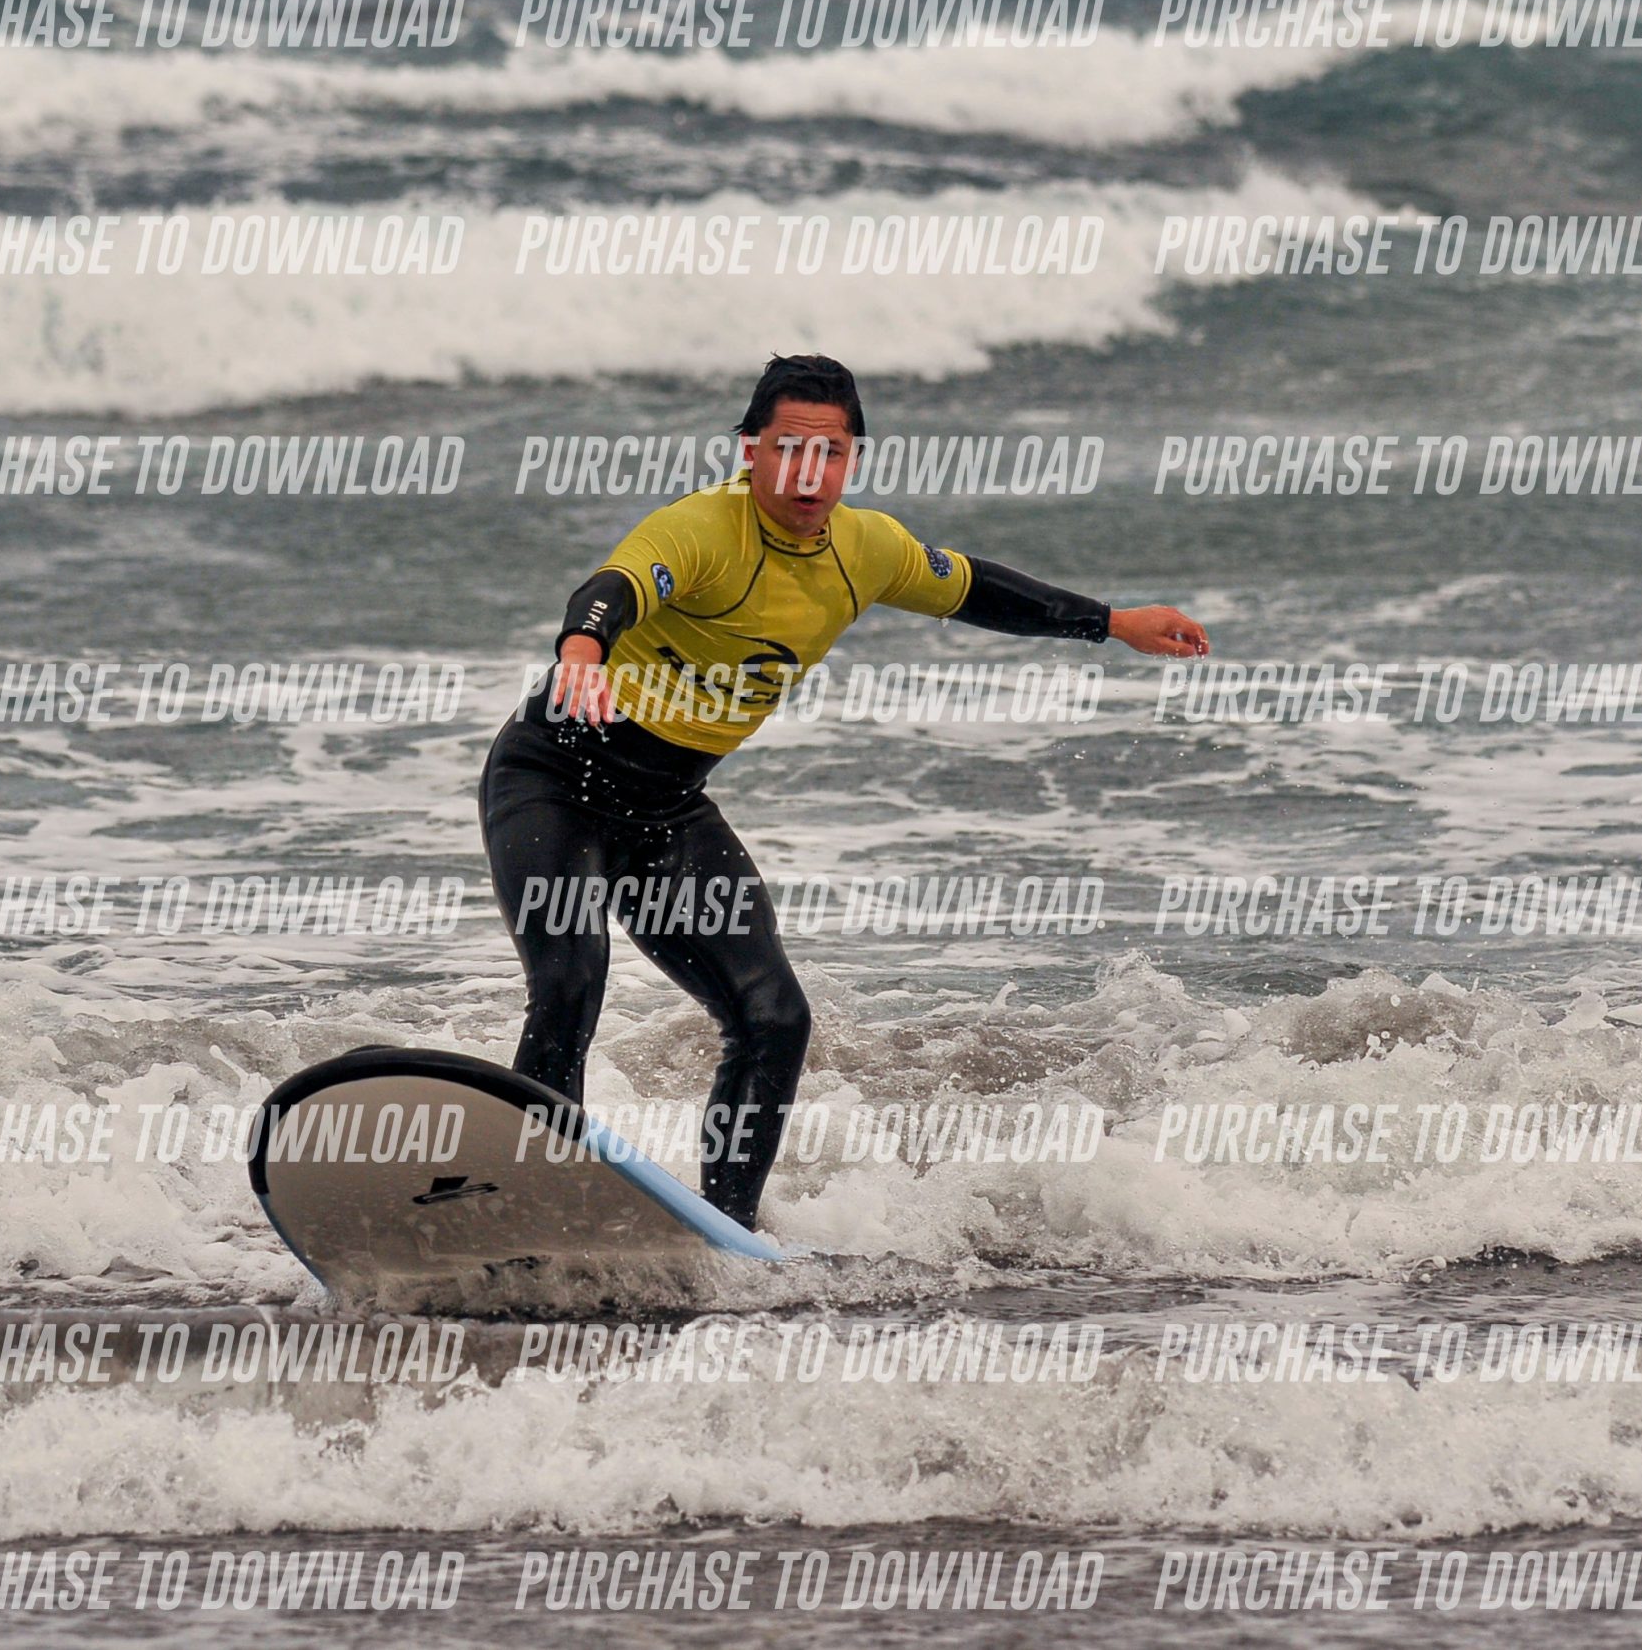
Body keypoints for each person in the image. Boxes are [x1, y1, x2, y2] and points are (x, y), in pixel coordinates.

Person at [478, 354, 1209, 1231]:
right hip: (557, 778)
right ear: (751, 451)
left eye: (829, 453)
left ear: (853, 459)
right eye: (788, 449)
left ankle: (725, 1234)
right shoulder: (702, 530)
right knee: (570, 979)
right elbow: (616, 587)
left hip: (665, 809)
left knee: (774, 1017)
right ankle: (520, 1202)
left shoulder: (866, 549)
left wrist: (1114, 622)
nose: (808, 474)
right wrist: (583, 650)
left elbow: (974, 588)